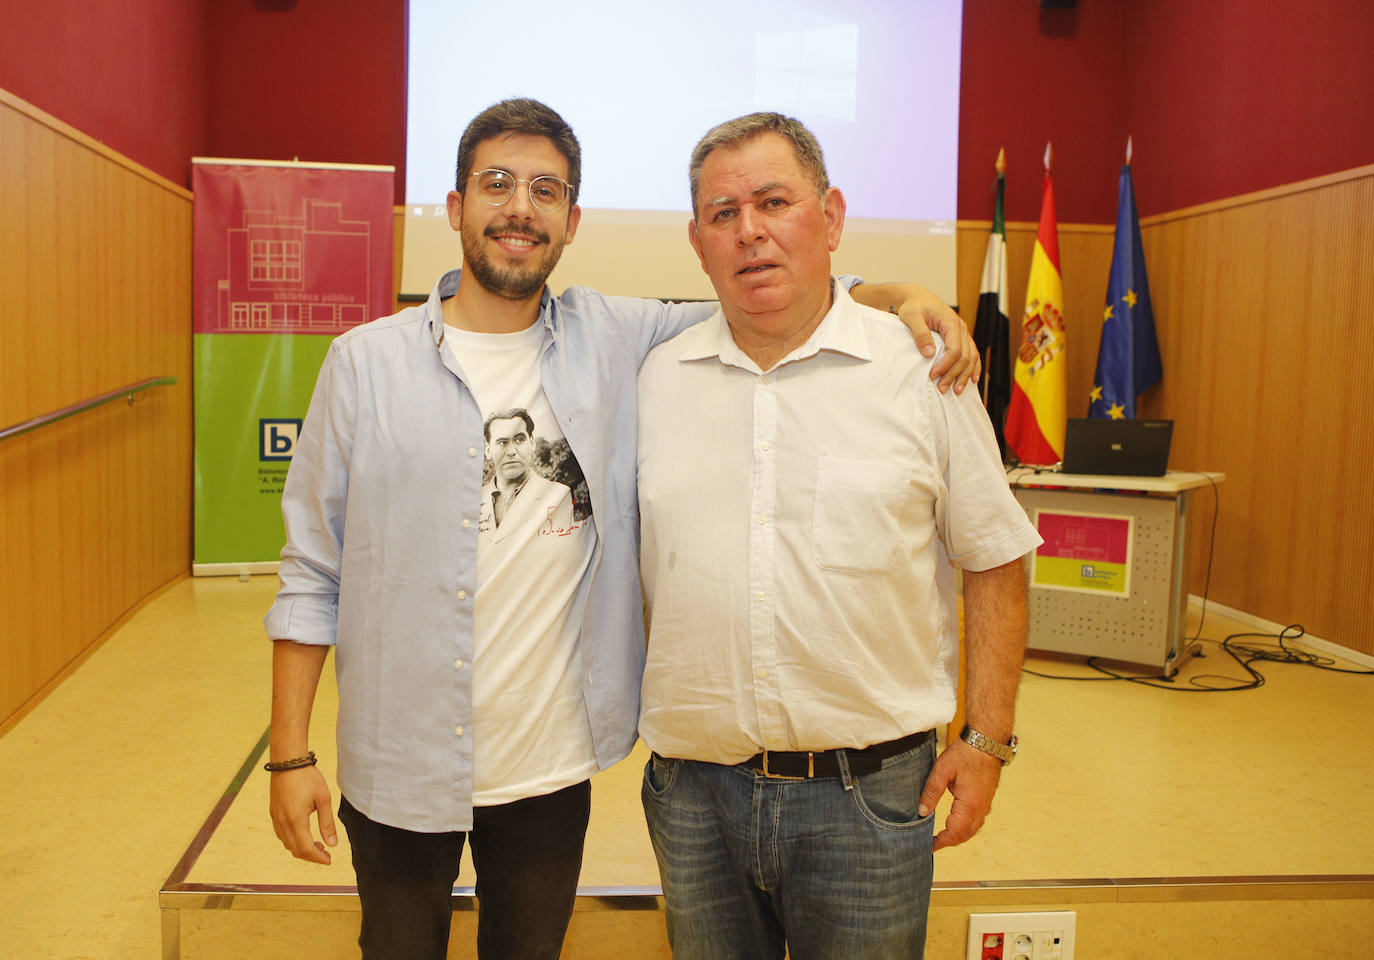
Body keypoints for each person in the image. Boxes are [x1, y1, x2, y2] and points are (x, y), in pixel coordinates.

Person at [264, 98, 978, 960]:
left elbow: (774, 292)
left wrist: (900, 294)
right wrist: (289, 755)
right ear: (456, 210)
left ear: (570, 222)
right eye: (496, 184)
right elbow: (312, 572)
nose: (519, 207)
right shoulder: (363, 364)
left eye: (545, 190)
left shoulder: (618, 336)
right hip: (399, 757)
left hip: (550, 767)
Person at [636, 112, 1044, 960]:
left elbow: (996, 555)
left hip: (869, 801)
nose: (749, 230)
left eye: (775, 201)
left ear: (831, 219)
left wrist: (986, 739)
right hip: (694, 799)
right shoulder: (654, 378)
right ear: (697, 241)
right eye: (722, 213)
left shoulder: (925, 371)